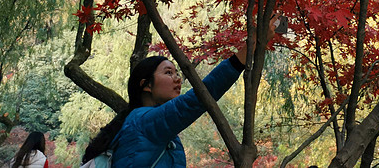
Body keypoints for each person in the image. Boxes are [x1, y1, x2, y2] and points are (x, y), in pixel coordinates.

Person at [82, 33, 264, 168]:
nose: (178, 79)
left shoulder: (163, 133)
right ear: (146, 85)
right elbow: (193, 101)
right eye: (168, 73)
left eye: (177, 73)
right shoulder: (142, 120)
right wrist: (247, 50)